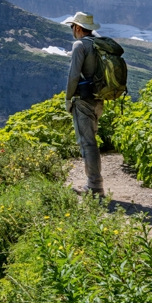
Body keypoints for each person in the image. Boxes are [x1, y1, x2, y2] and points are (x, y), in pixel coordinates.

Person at [63, 11, 105, 196]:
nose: (72, 30)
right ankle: (94, 183)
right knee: (92, 141)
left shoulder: (79, 45)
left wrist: (68, 98)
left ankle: (94, 186)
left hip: (83, 100)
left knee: (87, 143)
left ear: (78, 28)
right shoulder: (99, 44)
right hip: (99, 99)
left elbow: (73, 76)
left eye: (73, 27)